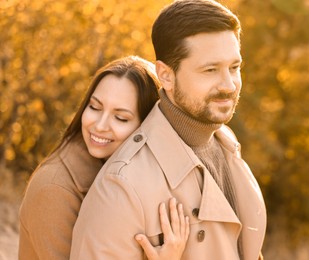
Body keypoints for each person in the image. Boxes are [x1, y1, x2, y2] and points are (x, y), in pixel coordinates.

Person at [71, 0, 267, 259]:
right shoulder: (122, 187)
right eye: (210, 70)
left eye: (234, 67)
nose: (229, 85)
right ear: (165, 75)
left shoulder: (226, 143)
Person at [18, 55, 190, 260]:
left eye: (120, 118)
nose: (99, 125)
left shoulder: (144, 178)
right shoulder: (54, 190)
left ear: (149, 126)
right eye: (95, 107)